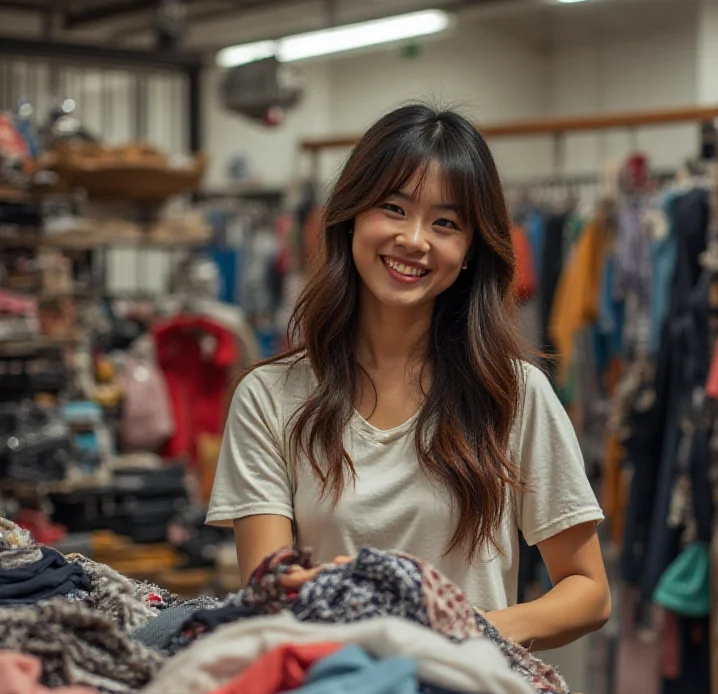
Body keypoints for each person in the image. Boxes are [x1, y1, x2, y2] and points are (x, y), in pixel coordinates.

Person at [206, 104, 611, 650]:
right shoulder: (270, 397)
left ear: (470, 250)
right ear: (351, 216)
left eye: (445, 223)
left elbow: (588, 590)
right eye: (393, 208)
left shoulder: (513, 395)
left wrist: (465, 629)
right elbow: (271, 596)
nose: (415, 239)